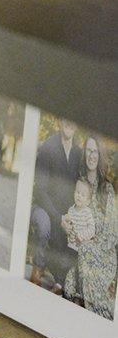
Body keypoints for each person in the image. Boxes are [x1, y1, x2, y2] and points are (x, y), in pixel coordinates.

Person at [64, 136, 118, 319]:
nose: (91, 155)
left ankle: (92, 316)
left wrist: (91, 245)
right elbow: (70, 213)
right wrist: (65, 223)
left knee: (85, 252)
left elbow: (112, 234)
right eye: (88, 150)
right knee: (70, 283)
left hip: (103, 254)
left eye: (95, 151)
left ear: (100, 155)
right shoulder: (80, 185)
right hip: (80, 252)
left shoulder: (107, 190)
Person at [29, 117, 81, 292]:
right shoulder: (48, 147)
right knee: (44, 226)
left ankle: (61, 281)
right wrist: (58, 218)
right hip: (44, 208)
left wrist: (70, 218)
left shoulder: (78, 154)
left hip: (65, 215)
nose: (69, 122)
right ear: (60, 120)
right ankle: (37, 267)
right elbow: (40, 191)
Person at [62, 177, 95, 303]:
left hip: (81, 250)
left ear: (87, 201)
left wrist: (82, 235)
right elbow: (68, 225)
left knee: (78, 271)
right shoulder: (71, 209)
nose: (79, 196)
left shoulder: (87, 213)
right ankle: (66, 289)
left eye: (83, 195)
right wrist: (67, 228)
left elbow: (92, 229)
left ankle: (79, 294)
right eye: (77, 192)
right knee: (66, 267)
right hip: (70, 246)